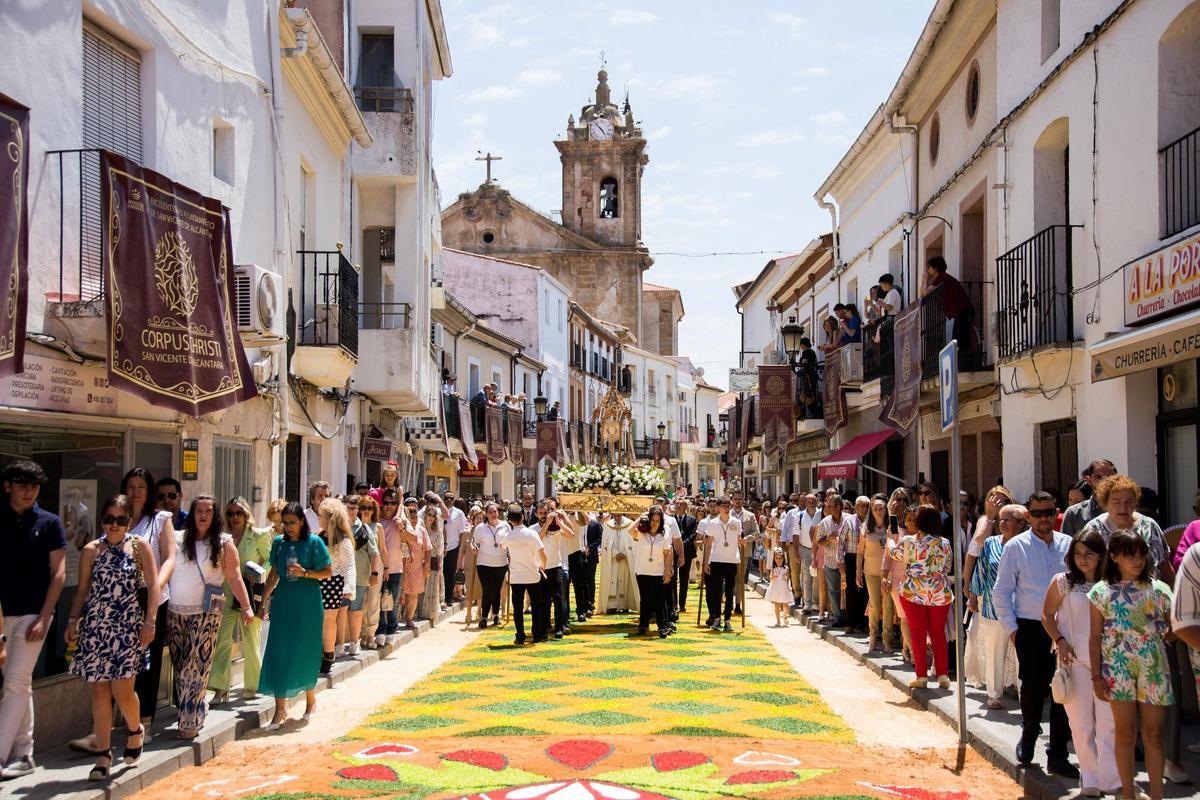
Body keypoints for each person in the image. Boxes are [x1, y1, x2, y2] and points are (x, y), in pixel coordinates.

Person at [66, 496, 158, 780]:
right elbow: (82, 589)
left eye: (121, 519)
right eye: (109, 518)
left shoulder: (139, 546)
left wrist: (150, 622)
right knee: (99, 692)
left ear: (129, 521)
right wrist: (72, 620)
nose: (114, 524)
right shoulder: (91, 550)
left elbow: (154, 585)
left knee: (123, 692)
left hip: (127, 626)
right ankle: (103, 755)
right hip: (96, 627)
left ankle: (134, 730)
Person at [992, 490, 1077, 777]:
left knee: (1063, 690)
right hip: (1029, 626)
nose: (1044, 518)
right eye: (1038, 513)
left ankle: (1058, 753)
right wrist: (1013, 630)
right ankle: (1029, 733)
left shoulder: (1068, 545)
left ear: (1057, 512)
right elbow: (1002, 591)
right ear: (1028, 516)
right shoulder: (1016, 547)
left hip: (1065, 628)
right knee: (1032, 687)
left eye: (1049, 512)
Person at [1089, 529, 1175, 800]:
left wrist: (1158, 639)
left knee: (1153, 734)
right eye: (1130, 556)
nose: (1137, 561)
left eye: (1141, 555)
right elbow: (1094, 636)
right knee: (1124, 733)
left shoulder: (1160, 589)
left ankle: (1157, 795)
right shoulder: (1101, 591)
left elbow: (1176, 626)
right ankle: (1127, 793)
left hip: (1154, 668)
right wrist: (1096, 676)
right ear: (1114, 557)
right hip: (1117, 669)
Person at [0, 461, 66, 780]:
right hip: (3, 615)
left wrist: (44, 616)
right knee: (19, 684)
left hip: (34, 616)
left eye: (35, 486)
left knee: (13, 683)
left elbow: (59, 573)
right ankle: (24, 754)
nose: (29, 492)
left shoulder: (50, 522)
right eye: (23, 485)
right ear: (7, 486)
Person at [167, 495, 253, 738]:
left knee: (197, 665)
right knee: (181, 664)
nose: (203, 515)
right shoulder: (177, 538)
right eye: (199, 511)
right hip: (176, 612)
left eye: (208, 511)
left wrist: (246, 607)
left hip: (206, 613)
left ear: (215, 517)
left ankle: (189, 721)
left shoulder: (224, 543)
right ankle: (195, 706)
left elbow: (235, 577)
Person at [1041, 529, 1120, 797]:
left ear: (1101, 556)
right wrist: (1060, 640)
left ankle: (1112, 779)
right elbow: (1047, 615)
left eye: (1089, 553)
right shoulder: (1063, 582)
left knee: (1109, 723)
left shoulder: (1113, 583)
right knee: (1081, 724)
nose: (1083, 559)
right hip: (1073, 660)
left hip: (1108, 661)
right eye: (1078, 553)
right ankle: (1091, 780)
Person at [259, 501, 331, 730]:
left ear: (302, 522)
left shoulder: (314, 542)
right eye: (284, 523)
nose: (287, 527)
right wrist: (264, 600)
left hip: (308, 602)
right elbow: (273, 573)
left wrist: (306, 573)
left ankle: (310, 699)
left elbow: (327, 571)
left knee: (305, 650)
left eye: (292, 522)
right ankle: (280, 709)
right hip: (283, 602)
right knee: (279, 651)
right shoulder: (279, 543)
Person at [209, 496, 273, 704]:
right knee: (222, 641)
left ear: (247, 515)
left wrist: (260, 578)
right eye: (230, 513)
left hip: (251, 594)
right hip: (226, 595)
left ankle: (253, 685)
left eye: (239, 512)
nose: (235, 517)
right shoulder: (222, 538)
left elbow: (272, 562)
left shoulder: (258, 535)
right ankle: (220, 687)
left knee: (251, 639)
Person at [966, 503, 1025, 708]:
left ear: (1021, 523)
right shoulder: (991, 543)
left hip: (1022, 609)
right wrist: (973, 596)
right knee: (994, 651)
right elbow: (980, 571)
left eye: (1008, 519)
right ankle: (993, 693)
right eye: (1001, 519)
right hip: (993, 608)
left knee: (1022, 653)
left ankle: (1024, 694)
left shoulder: (1026, 544)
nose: (1003, 523)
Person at [888, 506, 954, 689]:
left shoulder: (909, 541)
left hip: (913, 593)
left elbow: (894, 554)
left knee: (917, 633)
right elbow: (947, 565)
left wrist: (890, 540)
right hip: (939, 593)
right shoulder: (945, 543)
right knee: (938, 633)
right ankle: (942, 675)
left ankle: (922, 675)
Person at [316, 498, 355, 674]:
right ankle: (319, 652)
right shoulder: (318, 536)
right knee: (318, 620)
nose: (319, 518)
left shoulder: (344, 540)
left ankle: (328, 655)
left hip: (335, 582)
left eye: (321, 516)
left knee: (329, 620)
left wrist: (348, 588)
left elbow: (349, 565)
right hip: (318, 580)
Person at [920, 255, 975, 365]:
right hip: (961, 312)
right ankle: (962, 362)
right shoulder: (940, 278)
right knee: (958, 337)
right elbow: (922, 296)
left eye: (929, 268)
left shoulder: (942, 277)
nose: (928, 271)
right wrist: (923, 282)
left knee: (960, 338)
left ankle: (964, 363)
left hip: (964, 310)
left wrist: (925, 280)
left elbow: (925, 294)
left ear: (935, 268)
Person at [502, 505, 545, 645]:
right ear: (523, 517)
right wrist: (542, 564)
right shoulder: (532, 534)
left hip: (517, 576)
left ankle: (520, 634)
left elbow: (502, 546)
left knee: (518, 607)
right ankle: (537, 633)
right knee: (537, 605)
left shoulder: (509, 535)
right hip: (532, 573)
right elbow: (542, 553)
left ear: (510, 520)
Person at [630, 506, 673, 638]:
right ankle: (643, 625)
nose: (654, 523)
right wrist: (640, 517)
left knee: (660, 600)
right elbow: (630, 530)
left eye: (657, 521)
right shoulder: (642, 533)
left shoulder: (664, 534)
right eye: (652, 520)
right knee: (645, 599)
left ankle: (663, 626)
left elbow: (667, 553)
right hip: (642, 570)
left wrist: (667, 570)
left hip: (658, 571)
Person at [882, 500, 916, 662]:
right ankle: (914, 653)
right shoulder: (896, 532)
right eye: (909, 519)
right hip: (898, 581)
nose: (912, 522)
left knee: (914, 620)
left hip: (918, 584)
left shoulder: (925, 537)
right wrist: (884, 576)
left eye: (915, 519)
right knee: (904, 618)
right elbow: (888, 557)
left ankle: (906, 649)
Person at [702, 497, 742, 632]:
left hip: (731, 560)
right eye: (723, 505)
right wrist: (706, 562)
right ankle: (717, 618)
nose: (726, 507)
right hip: (716, 560)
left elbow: (738, 539)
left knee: (730, 591)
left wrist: (743, 542)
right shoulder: (712, 523)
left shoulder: (736, 522)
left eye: (728, 505)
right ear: (719, 507)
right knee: (716, 592)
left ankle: (727, 619)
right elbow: (708, 545)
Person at [815, 495, 855, 628]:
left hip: (847, 561)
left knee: (849, 590)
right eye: (827, 506)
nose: (828, 508)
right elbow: (819, 541)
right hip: (831, 560)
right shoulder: (824, 522)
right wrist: (828, 538)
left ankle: (850, 617)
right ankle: (838, 617)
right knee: (834, 591)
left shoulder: (849, 520)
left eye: (830, 506)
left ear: (838, 507)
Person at [857, 497, 888, 651]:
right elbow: (860, 552)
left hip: (888, 573)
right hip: (870, 571)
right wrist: (858, 572)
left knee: (888, 605)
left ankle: (887, 639)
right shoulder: (865, 528)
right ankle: (874, 636)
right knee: (875, 604)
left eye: (881, 508)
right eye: (875, 508)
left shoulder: (891, 528)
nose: (878, 511)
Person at [471, 502, 509, 628]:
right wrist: (473, 548)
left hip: (501, 563)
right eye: (491, 512)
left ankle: (496, 615)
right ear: (486, 514)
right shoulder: (480, 528)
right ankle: (484, 616)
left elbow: (510, 540)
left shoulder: (505, 526)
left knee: (496, 589)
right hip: (484, 563)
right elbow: (473, 542)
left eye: (495, 511)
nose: (493, 514)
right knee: (487, 589)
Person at [355, 497, 386, 650]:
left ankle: (370, 635)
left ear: (374, 510)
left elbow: (382, 549)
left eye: (369, 508)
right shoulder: (354, 526)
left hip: (376, 569)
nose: (366, 511)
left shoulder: (378, 527)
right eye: (363, 507)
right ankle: (360, 634)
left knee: (374, 602)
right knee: (360, 603)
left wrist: (386, 569)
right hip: (359, 569)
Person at [375, 490, 405, 644]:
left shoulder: (400, 521)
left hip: (396, 567)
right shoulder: (377, 521)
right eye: (386, 503)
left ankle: (391, 630)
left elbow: (410, 541)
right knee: (378, 600)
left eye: (393, 503)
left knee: (392, 601)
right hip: (378, 568)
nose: (389, 506)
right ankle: (380, 629)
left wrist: (402, 527)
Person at [1061, 459, 1117, 538]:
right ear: (1089, 480)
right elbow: (1067, 546)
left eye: (1108, 477)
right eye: (1098, 477)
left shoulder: (1124, 511)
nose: (1103, 481)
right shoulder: (1074, 514)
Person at [598, 512, 639, 613]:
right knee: (612, 579)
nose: (617, 518)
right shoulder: (608, 525)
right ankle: (612, 605)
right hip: (613, 560)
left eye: (619, 515)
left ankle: (625, 605)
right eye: (615, 515)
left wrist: (624, 553)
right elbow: (605, 544)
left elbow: (632, 542)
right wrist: (615, 553)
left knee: (625, 579)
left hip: (626, 558)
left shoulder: (629, 524)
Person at [398, 498, 429, 630]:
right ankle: (396, 618)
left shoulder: (421, 531)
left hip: (416, 566)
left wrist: (427, 565)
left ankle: (409, 618)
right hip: (401, 565)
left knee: (413, 594)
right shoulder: (400, 529)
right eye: (412, 517)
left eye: (416, 517)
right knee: (400, 594)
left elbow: (428, 548)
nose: (414, 520)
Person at [730, 490, 758, 613]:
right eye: (735, 499)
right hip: (728, 551)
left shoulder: (750, 516)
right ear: (732, 500)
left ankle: (738, 605)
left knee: (740, 578)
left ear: (743, 500)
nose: (738, 501)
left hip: (743, 550)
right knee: (729, 578)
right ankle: (729, 602)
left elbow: (756, 533)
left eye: (740, 499)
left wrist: (746, 539)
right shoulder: (727, 514)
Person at [672, 499, 699, 615]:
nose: (678, 506)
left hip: (687, 552)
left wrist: (682, 544)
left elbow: (694, 534)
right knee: (672, 579)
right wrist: (676, 545)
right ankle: (673, 603)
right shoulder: (671, 519)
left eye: (681, 504)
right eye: (677, 504)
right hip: (672, 552)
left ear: (685, 506)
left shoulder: (692, 519)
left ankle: (682, 603)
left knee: (684, 579)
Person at [442, 492, 467, 606]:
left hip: (453, 547)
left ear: (454, 500)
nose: (448, 500)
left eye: (451, 498)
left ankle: (448, 598)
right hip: (439, 548)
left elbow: (461, 532)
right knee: (440, 573)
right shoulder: (438, 511)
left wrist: (459, 548)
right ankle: (440, 598)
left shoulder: (459, 513)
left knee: (450, 573)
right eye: (446, 498)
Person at [765, 548, 794, 627]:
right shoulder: (773, 568)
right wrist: (772, 576)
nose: (778, 560)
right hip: (776, 588)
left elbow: (788, 577)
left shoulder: (786, 568)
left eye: (780, 558)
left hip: (783, 588)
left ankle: (785, 616)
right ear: (774, 559)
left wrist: (786, 577)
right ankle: (778, 620)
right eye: (776, 558)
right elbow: (770, 577)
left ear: (783, 558)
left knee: (785, 604)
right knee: (776, 604)